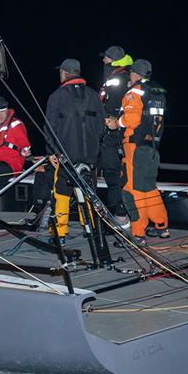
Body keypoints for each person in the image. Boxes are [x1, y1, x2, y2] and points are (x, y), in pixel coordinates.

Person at [44, 58, 105, 241]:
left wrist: (52, 152)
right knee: (88, 191)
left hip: (66, 156)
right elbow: (101, 127)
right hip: (91, 156)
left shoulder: (57, 96)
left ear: (64, 73)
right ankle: (91, 229)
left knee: (61, 192)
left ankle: (59, 232)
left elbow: (49, 128)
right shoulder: (94, 95)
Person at [118, 59, 169, 243]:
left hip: (136, 146)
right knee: (149, 187)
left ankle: (138, 232)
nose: (129, 76)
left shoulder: (134, 92)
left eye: (131, 73)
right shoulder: (158, 92)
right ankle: (161, 225)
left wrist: (116, 123)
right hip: (153, 147)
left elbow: (131, 120)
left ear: (136, 75)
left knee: (133, 189)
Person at [98, 45, 133, 222]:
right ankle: (114, 214)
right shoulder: (114, 75)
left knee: (114, 174)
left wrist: (114, 121)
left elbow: (115, 103)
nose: (103, 60)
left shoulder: (120, 77)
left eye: (106, 58)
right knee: (109, 172)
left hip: (115, 132)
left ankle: (119, 216)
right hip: (108, 130)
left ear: (113, 59)